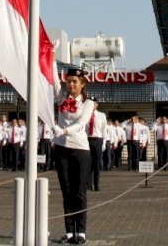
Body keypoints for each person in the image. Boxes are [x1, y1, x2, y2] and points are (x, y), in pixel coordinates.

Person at [52, 68, 93, 244]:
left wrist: (64, 130)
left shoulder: (88, 103)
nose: (71, 84)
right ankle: (69, 232)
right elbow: (53, 81)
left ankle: (81, 232)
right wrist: (52, 57)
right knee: (66, 191)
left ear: (82, 83)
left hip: (80, 150)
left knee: (79, 192)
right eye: (69, 81)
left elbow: (81, 123)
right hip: (62, 148)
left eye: (75, 81)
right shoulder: (61, 98)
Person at [86, 97, 107, 191]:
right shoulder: (85, 114)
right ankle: (88, 184)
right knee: (87, 163)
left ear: (97, 104)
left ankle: (97, 184)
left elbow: (104, 130)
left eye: (94, 103)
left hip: (97, 140)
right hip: (87, 140)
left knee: (97, 163)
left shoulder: (101, 115)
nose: (92, 105)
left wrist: (104, 143)